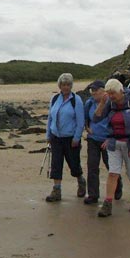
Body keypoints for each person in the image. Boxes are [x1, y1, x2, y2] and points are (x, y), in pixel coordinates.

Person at [94, 79, 130, 217]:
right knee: (113, 173)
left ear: (120, 91)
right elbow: (96, 119)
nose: (111, 96)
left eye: (113, 93)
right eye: (109, 93)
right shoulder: (110, 103)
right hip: (114, 142)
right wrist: (102, 103)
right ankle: (108, 203)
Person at [45, 73, 86, 202]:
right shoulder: (55, 98)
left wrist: (76, 137)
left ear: (71, 85)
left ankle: (80, 180)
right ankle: (56, 190)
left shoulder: (76, 100)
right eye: (63, 84)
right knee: (56, 164)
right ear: (60, 85)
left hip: (71, 138)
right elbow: (50, 118)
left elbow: (81, 121)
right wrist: (48, 135)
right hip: (56, 137)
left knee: (74, 164)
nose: (66, 87)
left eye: (68, 84)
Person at [83, 80, 122, 204]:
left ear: (103, 91)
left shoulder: (111, 104)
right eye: (91, 90)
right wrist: (87, 127)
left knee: (110, 166)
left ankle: (117, 187)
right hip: (93, 139)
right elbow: (85, 118)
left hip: (108, 139)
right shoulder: (89, 103)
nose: (93, 93)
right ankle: (93, 195)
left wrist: (109, 139)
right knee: (92, 166)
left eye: (95, 90)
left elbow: (116, 123)